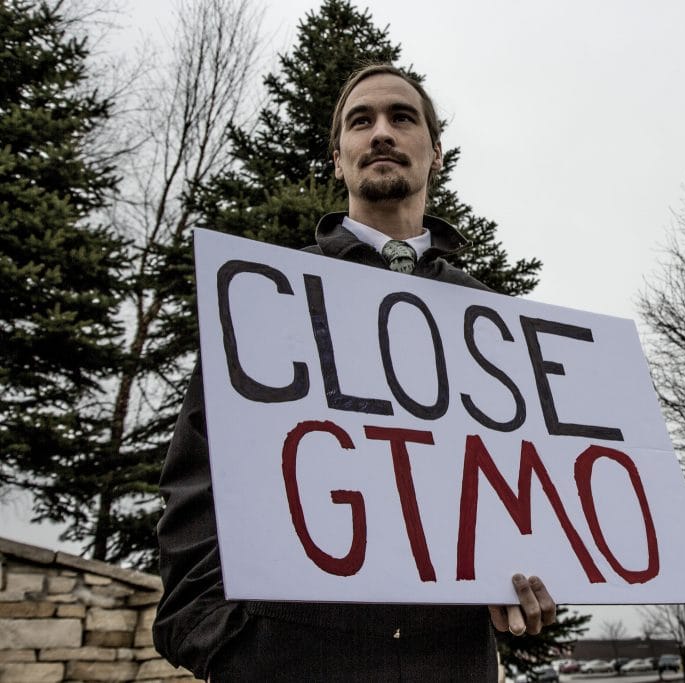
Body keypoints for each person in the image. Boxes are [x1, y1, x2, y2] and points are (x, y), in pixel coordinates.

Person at [153, 63, 557, 682]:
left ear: (436, 153)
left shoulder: (490, 318)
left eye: (402, 117)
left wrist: (530, 575)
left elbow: (526, 492)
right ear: (339, 160)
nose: (381, 132)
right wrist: (221, 639)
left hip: (451, 663)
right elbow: (197, 476)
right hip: (287, 660)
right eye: (360, 121)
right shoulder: (265, 294)